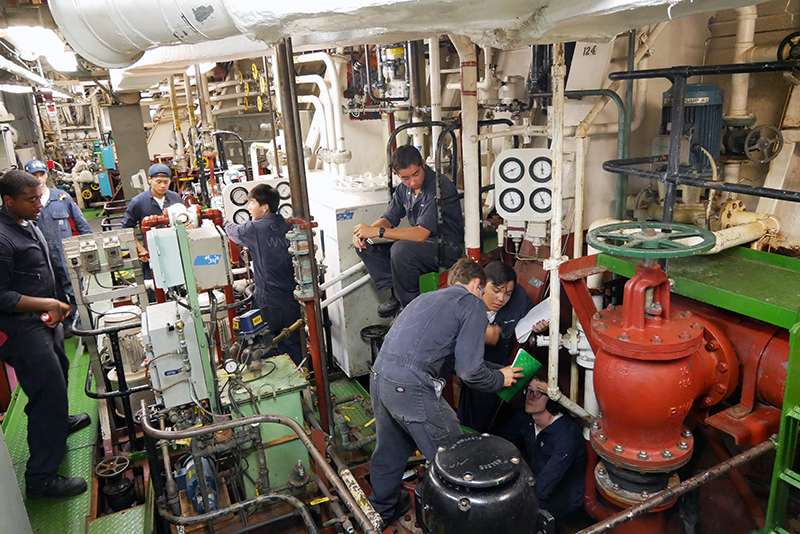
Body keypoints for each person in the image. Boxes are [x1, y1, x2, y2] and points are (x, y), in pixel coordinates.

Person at [368, 258, 523, 528]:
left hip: (381, 377)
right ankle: (460, 525)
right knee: (455, 457)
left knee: (389, 451)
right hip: (412, 385)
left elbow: (452, 359)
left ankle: (380, 511)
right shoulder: (472, 303)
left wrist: (503, 370)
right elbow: (470, 372)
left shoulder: (425, 300)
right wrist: (499, 379)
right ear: (477, 284)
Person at [0, 169, 90, 499]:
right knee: (45, 394)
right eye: (31, 199)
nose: (39, 203)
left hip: (43, 320)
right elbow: (1, 296)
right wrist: (49, 302)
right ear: (9, 201)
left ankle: (59, 422)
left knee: (61, 371)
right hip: (22, 330)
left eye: (39, 196)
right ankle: (41, 478)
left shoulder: (26, 222)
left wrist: (55, 305)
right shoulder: (2, 238)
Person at [353, 145, 463, 317]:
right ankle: (398, 293)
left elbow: (420, 234)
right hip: (422, 245)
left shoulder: (439, 187)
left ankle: (410, 308)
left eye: (416, 174)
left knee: (401, 249)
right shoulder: (404, 189)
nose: (412, 182)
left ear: (423, 165)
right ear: (397, 174)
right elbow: (389, 218)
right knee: (365, 245)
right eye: (405, 178)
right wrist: (365, 232)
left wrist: (379, 232)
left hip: (445, 247)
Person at [457, 261, 548, 432]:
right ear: (481, 285)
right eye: (496, 291)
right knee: (473, 416)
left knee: (499, 417)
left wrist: (540, 327)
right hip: (472, 367)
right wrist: (479, 334)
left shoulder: (518, 298)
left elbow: (532, 317)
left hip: (502, 365)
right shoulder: (465, 300)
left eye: (507, 293)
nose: (501, 299)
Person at [223, 184, 301, 365]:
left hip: (268, 301)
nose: (249, 208)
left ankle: (269, 384)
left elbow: (234, 233)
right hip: (292, 299)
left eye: (252, 203)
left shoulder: (254, 228)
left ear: (264, 207)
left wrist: (222, 221)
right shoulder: (288, 224)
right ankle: (300, 380)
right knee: (292, 343)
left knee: (258, 344)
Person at [501, 372, 587, 519]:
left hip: (562, 496)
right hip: (536, 481)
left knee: (507, 508)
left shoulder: (566, 436)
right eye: (529, 390)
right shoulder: (526, 418)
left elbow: (544, 487)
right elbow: (501, 441)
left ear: (552, 402)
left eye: (539, 393)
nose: (530, 396)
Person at [25, 159, 93, 335]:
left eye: (41, 174)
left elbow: (81, 224)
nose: (38, 179)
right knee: (53, 293)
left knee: (76, 291)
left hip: (66, 254)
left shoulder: (61, 197)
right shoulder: (26, 202)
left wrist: (88, 248)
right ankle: (66, 324)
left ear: (47, 175)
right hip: (40, 258)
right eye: (34, 176)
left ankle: (85, 329)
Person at [121, 163, 183, 301]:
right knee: (155, 294)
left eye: (166, 182)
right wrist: (140, 248)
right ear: (150, 180)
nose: (162, 186)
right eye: (158, 182)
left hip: (176, 254)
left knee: (181, 291)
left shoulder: (176, 199)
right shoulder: (138, 202)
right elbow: (126, 228)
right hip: (151, 256)